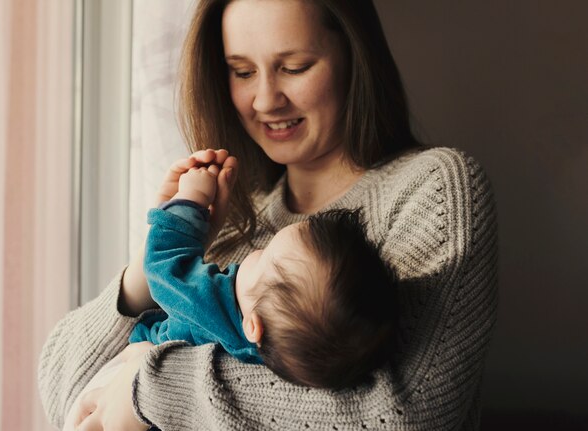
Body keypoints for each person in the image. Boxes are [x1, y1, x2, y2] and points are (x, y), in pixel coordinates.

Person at [39, 0, 498, 430]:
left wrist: (152, 382)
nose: (264, 100)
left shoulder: (432, 187)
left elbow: (400, 413)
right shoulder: (231, 218)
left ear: (353, 55)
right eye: (241, 71)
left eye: (293, 67)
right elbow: (62, 383)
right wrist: (148, 265)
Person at [132, 153, 398, 389]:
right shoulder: (277, 355)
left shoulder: (212, 305)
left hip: (138, 362)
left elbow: (163, 265)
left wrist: (191, 200)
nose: (255, 251)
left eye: (264, 257)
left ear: (253, 326)